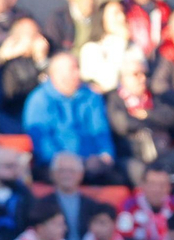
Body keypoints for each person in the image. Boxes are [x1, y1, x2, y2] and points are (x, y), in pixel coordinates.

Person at [22, 53, 120, 184]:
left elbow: (100, 130)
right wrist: (75, 163)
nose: (78, 73)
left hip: (93, 164)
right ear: (56, 74)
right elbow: (42, 142)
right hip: (56, 166)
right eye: (73, 69)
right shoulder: (40, 100)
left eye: (78, 68)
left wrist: (106, 155)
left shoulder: (91, 96)